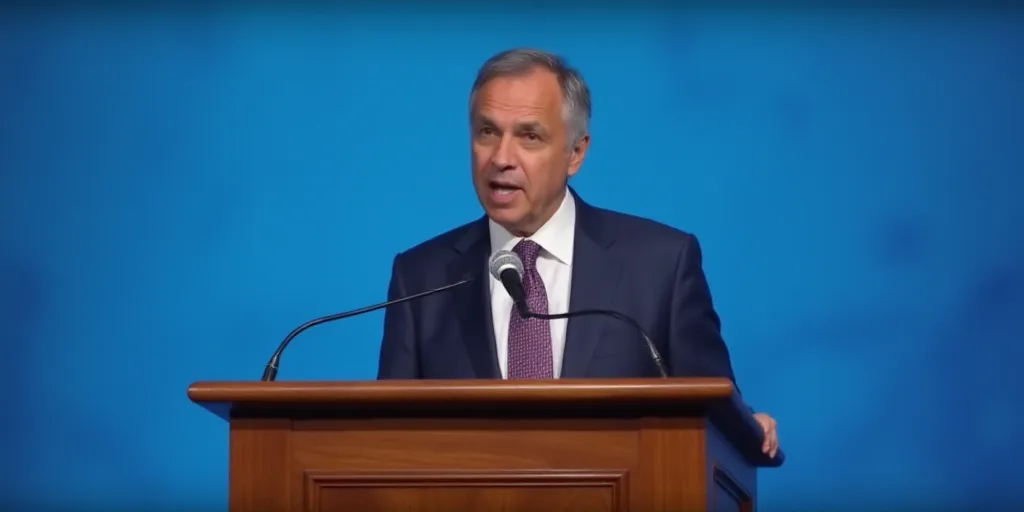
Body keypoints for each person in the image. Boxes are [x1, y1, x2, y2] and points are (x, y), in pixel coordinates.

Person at [376, 48, 779, 457]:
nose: (501, 158)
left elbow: (712, 410)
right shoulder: (422, 278)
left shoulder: (660, 266)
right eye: (487, 132)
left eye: (529, 136)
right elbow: (386, 442)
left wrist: (744, 426)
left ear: (576, 153)